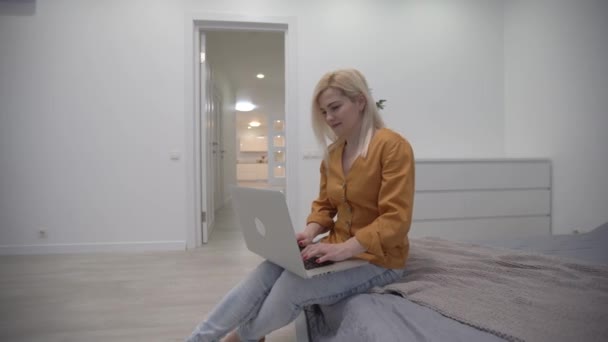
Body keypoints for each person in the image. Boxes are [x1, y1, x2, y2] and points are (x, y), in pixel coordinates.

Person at [186, 68, 415, 342]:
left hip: (380, 260)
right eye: (323, 112)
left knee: (292, 287)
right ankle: (198, 339)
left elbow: (396, 220)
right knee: (267, 271)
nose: (328, 118)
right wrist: (309, 233)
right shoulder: (333, 153)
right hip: (337, 249)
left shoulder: (393, 147)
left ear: (360, 102)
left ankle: (241, 338)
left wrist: (344, 248)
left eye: (335, 107)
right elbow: (325, 206)